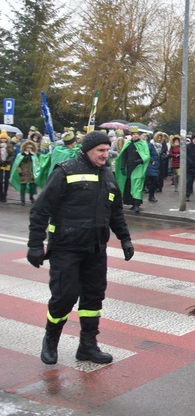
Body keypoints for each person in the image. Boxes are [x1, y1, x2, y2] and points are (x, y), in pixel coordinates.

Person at [26, 131, 135, 365]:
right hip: (66, 248)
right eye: (101, 151)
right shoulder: (65, 170)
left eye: (108, 150)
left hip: (95, 249)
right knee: (64, 297)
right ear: (87, 150)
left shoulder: (107, 174)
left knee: (93, 299)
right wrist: (35, 245)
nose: (106, 155)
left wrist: (125, 238)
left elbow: (115, 212)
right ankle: (51, 339)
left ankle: (87, 346)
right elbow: (40, 210)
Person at [114, 127, 149, 213]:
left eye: (137, 134)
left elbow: (147, 155)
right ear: (131, 135)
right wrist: (122, 167)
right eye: (133, 134)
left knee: (137, 186)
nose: (135, 135)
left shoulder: (143, 144)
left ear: (139, 135)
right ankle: (132, 203)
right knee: (130, 185)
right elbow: (123, 156)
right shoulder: (128, 144)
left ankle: (136, 204)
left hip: (138, 168)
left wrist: (141, 160)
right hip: (129, 168)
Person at [10, 139, 39, 205]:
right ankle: (22, 200)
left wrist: (35, 172)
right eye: (28, 148)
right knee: (23, 187)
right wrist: (20, 171)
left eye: (30, 148)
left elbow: (37, 164)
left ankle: (31, 198)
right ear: (25, 148)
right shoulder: (20, 155)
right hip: (23, 174)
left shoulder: (34, 156)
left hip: (31, 173)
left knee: (32, 187)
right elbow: (17, 164)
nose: (29, 149)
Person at [0, 129, 17, 202]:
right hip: (0, 164)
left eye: (4, 138)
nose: (3, 140)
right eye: (2, 138)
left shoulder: (9, 146)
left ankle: (5, 194)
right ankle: (0, 194)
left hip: (7, 164)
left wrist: (8, 161)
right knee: (0, 180)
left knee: (6, 180)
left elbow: (13, 154)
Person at [145, 135, 160, 203]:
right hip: (151, 165)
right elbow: (147, 153)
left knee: (155, 181)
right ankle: (151, 196)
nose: (159, 139)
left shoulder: (160, 146)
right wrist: (152, 160)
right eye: (158, 137)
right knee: (152, 180)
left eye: (160, 137)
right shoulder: (150, 145)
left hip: (157, 165)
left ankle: (151, 195)